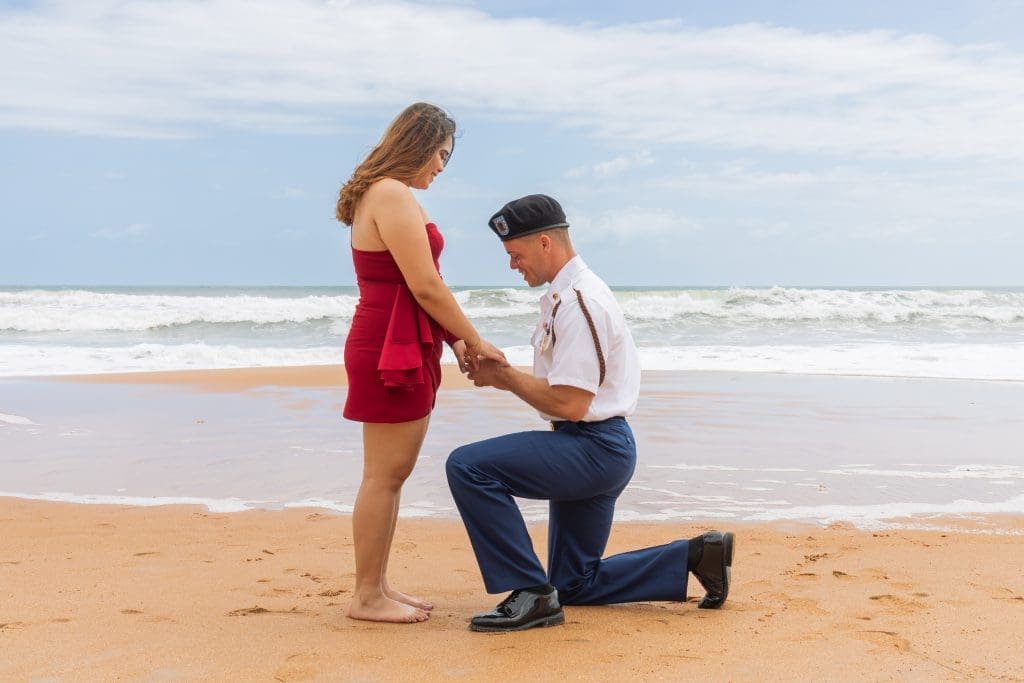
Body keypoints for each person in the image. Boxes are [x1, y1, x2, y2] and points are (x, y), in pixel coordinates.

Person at [446, 194, 734, 632]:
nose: (512, 265)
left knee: (467, 467)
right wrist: (501, 374)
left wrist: (504, 377)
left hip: (593, 447)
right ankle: (696, 555)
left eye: (515, 254)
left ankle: (530, 592)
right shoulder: (565, 296)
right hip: (595, 445)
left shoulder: (581, 301)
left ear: (545, 243)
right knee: (574, 584)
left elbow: (570, 403)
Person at [335, 102, 506, 624]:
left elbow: (422, 287)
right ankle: (366, 597)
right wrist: (476, 340)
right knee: (383, 475)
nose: (441, 167)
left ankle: (378, 586)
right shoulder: (389, 192)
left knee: (392, 474)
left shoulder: (390, 193)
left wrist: (452, 341)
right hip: (390, 345)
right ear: (420, 144)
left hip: (404, 339)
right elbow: (425, 284)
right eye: (441, 155)